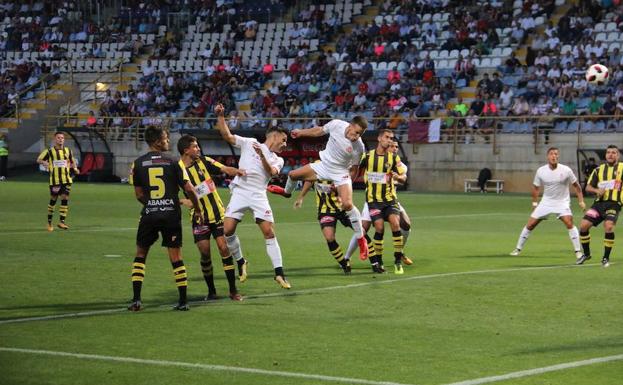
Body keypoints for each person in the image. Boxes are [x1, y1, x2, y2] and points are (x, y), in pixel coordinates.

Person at [268, 116, 369, 260]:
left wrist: (346, 185)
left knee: (347, 204)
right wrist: (301, 132)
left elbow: (354, 169)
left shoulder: (359, 146)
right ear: (351, 125)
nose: (356, 136)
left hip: (341, 173)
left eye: (360, 134)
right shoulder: (336, 125)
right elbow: (319, 131)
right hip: (324, 166)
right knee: (292, 175)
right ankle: (286, 192)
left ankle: (361, 240)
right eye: (356, 132)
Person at [214, 104, 292, 289]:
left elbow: (272, 173)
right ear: (274, 135)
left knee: (268, 232)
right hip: (241, 191)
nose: (285, 143)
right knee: (227, 230)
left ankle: (279, 274)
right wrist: (221, 116)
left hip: (258, 194)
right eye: (284, 139)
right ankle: (241, 261)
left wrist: (262, 157)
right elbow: (227, 136)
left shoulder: (278, 159)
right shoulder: (249, 143)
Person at [128, 126, 203, 311]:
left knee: (140, 255)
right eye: (165, 138)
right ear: (157, 142)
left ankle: (136, 300)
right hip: (171, 214)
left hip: (149, 214)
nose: (168, 141)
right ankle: (183, 302)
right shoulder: (174, 161)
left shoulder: (137, 163)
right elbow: (190, 189)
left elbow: (138, 194)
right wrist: (198, 209)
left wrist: (153, 203)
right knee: (176, 257)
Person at [177, 134, 246, 301]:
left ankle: (233, 290)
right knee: (205, 253)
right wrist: (183, 200)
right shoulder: (177, 168)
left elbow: (224, 169)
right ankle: (211, 291)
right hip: (199, 217)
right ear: (186, 150)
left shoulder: (204, 161)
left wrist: (238, 171)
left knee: (224, 248)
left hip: (218, 213)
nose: (198, 149)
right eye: (195, 146)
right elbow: (170, 192)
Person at [510, 147, 585, 259]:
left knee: (569, 223)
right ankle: (518, 248)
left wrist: (581, 201)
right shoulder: (541, 171)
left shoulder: (566, 170)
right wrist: (535, 204)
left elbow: (577, 186)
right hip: (546, 202)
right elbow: (536, 188)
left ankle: (578, 251)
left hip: (562, 202)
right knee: (530, 224)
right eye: (551, 154)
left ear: (558, 156)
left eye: (556, 154)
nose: (554, 156)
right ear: (547, 156)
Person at [357, 129, 408, 274]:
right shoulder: (367, 157)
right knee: (379, 228)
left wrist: (396, 177)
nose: (390, 140)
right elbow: (356, 174)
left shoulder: (393, 158)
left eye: (391, 138)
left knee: (396, 224)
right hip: (373, 201)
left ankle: (398, 260)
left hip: (390, 200)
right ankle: (378, 261)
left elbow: (403, 178)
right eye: (387, 137)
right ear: (379, 139)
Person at [293, 174, 352, 275]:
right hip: (325, 210)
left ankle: (376, 261)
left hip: (343, 208)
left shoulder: (338, 166)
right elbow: (309, 180)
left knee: (362, 230)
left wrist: (339, 194)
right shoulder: (316, 167)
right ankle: (344, 264)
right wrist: (301, 197)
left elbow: (347, 183)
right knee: (329, 237)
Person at [576, 145, 623, 267]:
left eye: (613, 152)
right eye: (608, 152)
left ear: (618, 155)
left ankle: (605, 258)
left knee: (608, 226)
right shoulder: (598, 170)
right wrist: (597, 191)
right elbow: (588, 187)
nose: (610, 154)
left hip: (614, 203)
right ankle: (586, 254)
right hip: (599, 204)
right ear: (606, 155)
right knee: (583, 226)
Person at [36, 132, 80, 231]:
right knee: (53, 200)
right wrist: (44, 162)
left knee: (65, 197)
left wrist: (76, 168)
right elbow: (38, 159)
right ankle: (49, 223)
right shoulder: (49, 151)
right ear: (55, 139)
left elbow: (72, 161)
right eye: (59, 138)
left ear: (64, 140)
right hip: (55, 180)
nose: (60, 139)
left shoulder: (68, 150)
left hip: (66, 179)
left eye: (62, 138)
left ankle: (62, 222)